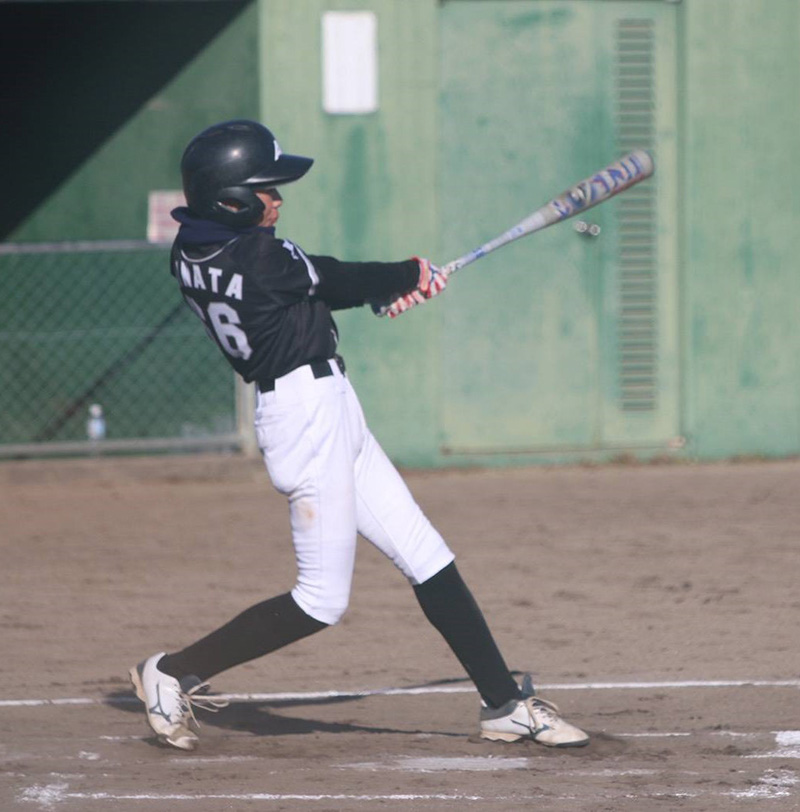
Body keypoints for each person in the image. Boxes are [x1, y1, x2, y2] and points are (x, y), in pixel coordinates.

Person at [129, 119, 589, 752]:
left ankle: (502, 704)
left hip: (328, 407)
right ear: (230, 200)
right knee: (321, 601)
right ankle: (172, 671)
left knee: (427, 555)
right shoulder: (261, 255)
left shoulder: (192, 249)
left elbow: (306, 295)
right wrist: (409, 272)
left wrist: (383, 292)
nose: (278, 198)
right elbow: (328, 277)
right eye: (267, 189)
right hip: (305, 419)